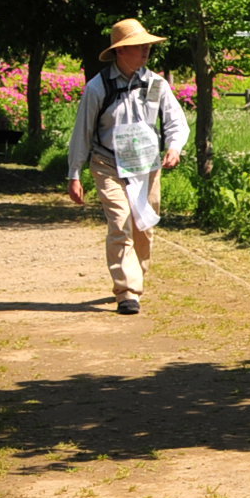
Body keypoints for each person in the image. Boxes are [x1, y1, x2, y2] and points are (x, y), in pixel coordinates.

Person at [65, 19, 187, 316]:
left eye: (147, 46)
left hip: (147, 167)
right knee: (120, 224)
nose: (145, 51)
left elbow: (175, 121)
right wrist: (74, 173)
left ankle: (136, 277)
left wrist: (174, 147)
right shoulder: (98, 87)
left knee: (143, 228)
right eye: (137, 46)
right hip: (108, 165)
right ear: (120, 52)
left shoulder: (157, 83)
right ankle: (127, 291)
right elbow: (82, 132)